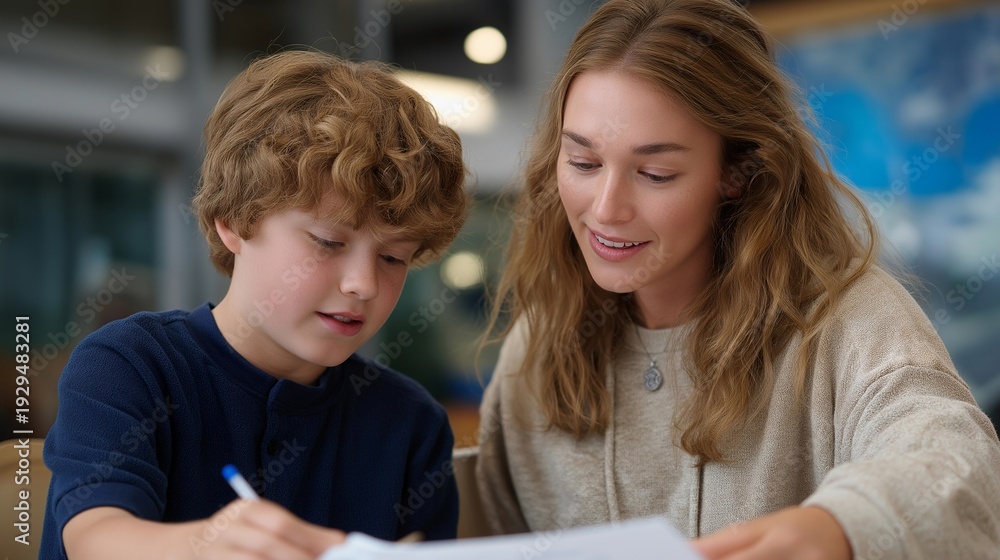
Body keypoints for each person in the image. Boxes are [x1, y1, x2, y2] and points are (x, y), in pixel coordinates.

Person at [475, 1, 1000, 558]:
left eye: (655, 173)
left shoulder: (847, 320)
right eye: (582, 163)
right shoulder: (535, 346)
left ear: (737, 173)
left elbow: (954, 459)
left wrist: (846, 527)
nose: (605, 210)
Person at [41, 50, 469, 559]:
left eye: (394, 258)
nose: (364, 285)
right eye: (328, 243)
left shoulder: (410, 423)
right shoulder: (128, 365)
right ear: (233, 219)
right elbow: (97, 536)